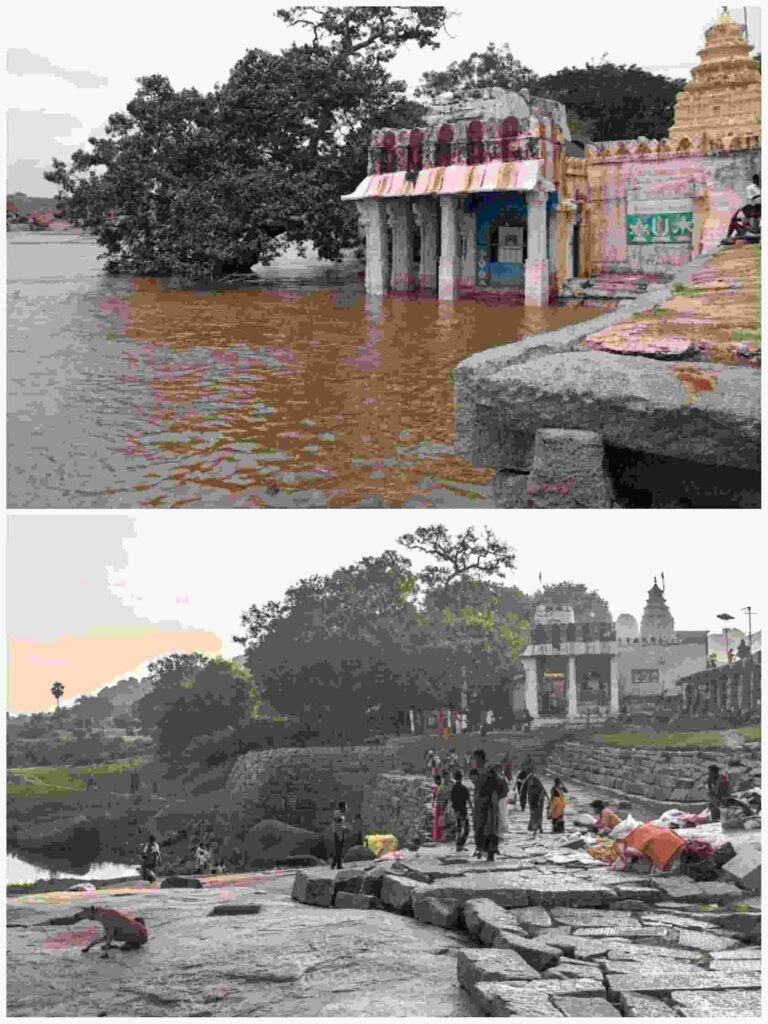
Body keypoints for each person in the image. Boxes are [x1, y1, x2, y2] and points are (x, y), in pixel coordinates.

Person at [475, 762, 508, 861]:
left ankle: (487, 852)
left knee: (488, 831)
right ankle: (490, 853)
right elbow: (505, 790)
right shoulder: (497, 780)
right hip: (491, 810)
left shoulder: (484, 780)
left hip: (487, 810)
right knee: (493, 831)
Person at [450, 769, 472, 852]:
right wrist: (473, 810)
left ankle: (458, 846)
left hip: (455, 811)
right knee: (467, 830)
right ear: (462, 777)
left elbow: (451, 800)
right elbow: (468, 800)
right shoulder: (464, 788)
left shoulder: (453, 788)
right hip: (463, 811)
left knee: (458, 829)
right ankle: (461, 844)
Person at [522, 767, 545, 836]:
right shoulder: (530, 780)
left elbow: (541, 788)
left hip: (536, 798)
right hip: (535, 799)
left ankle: (536, 827)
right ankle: (536, 827)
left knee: (536, 813)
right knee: (536, 814)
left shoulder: (532, 780)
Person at [331, 800, 349, 869]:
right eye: (345, 806)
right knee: (338, 850)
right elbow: (337, 824)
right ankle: (338, 865)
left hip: (341, 833)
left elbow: (340, 824)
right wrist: (344, 828)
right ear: (342, 807)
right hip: (337, 833)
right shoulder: (337, 813)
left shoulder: (341, 814)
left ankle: (334, 865)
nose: (346, 808)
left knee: (339, 850)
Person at [432, 773, 449, 842]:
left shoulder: (441, 787)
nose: (435, 782)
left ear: (438, 780)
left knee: (440, 823)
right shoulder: (439, 787)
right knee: (438, 823)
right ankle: (438, 837)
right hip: (438, 806)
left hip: (441, 806)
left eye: (435, 781)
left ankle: (440, 837)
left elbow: (444, 797)